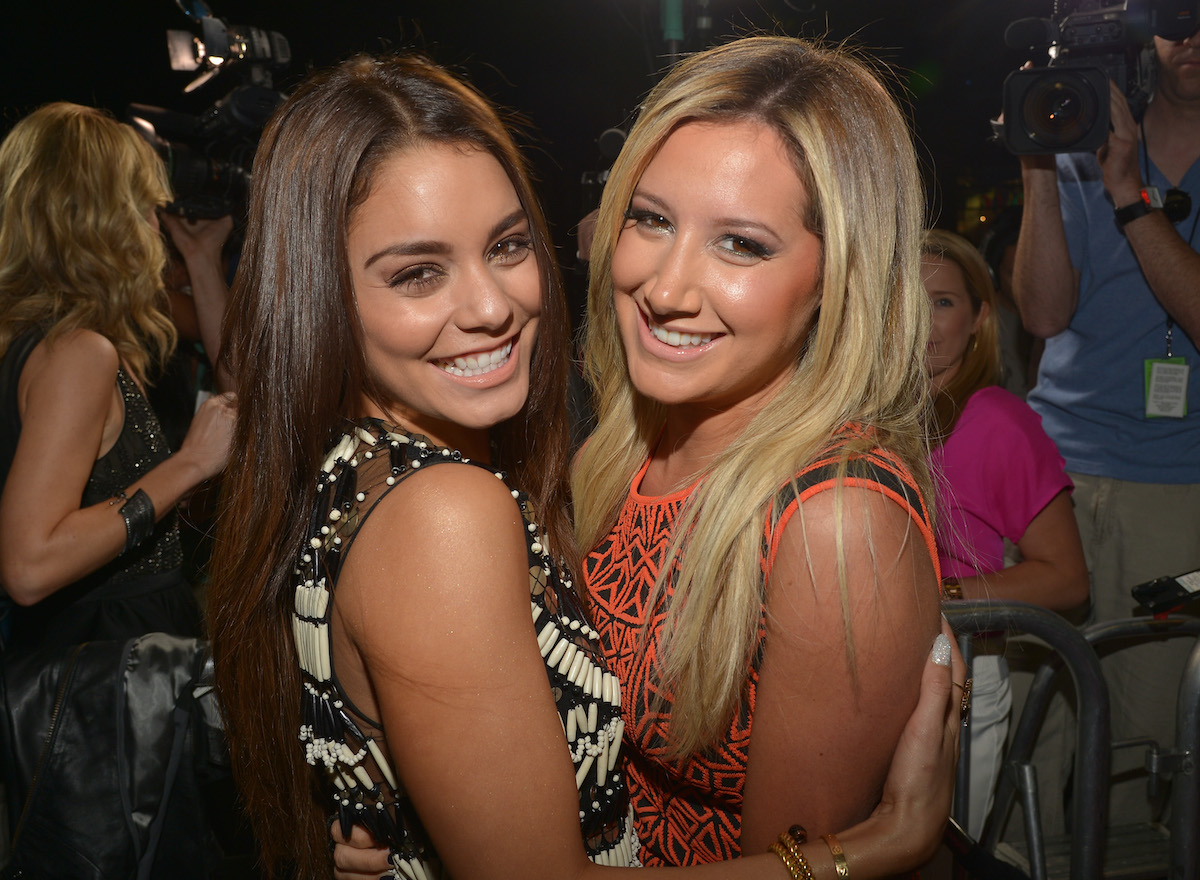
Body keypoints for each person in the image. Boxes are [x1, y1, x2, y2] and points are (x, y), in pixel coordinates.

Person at [208, 51, 965, 880]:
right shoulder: (614, 450)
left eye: (741, 244)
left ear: (838, 276)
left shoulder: (834, 522)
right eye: (648, 219)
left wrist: (860, 859)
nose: (666, 286)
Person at [1011, 25, 1200, 832]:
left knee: (1149, 723)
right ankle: (1019, 855)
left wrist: (1129, 194)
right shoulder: (1079, 137)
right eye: (1174, 19)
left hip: (1177, 483)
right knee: (1032, 708)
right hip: (1056, 473)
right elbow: (1046, 313)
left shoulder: (1115, 168)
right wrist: (1039, 161)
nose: (1190, 36)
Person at [0, 102, 236, 657]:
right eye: (146, 208)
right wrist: (190, 464)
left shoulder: (41, 336)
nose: (156, 226)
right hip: (108, 678)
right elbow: (30, 565)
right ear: (107, 216)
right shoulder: (77, 353)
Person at [922, 228, 1088, 839]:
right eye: (903, 303)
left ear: (978, 318)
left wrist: (946, 599)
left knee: (940, 854)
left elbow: (1066, 578)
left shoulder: (998, 421)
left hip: (960, 668)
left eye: (942, 302)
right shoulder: (859, 414)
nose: (923, 321)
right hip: (869, 667)